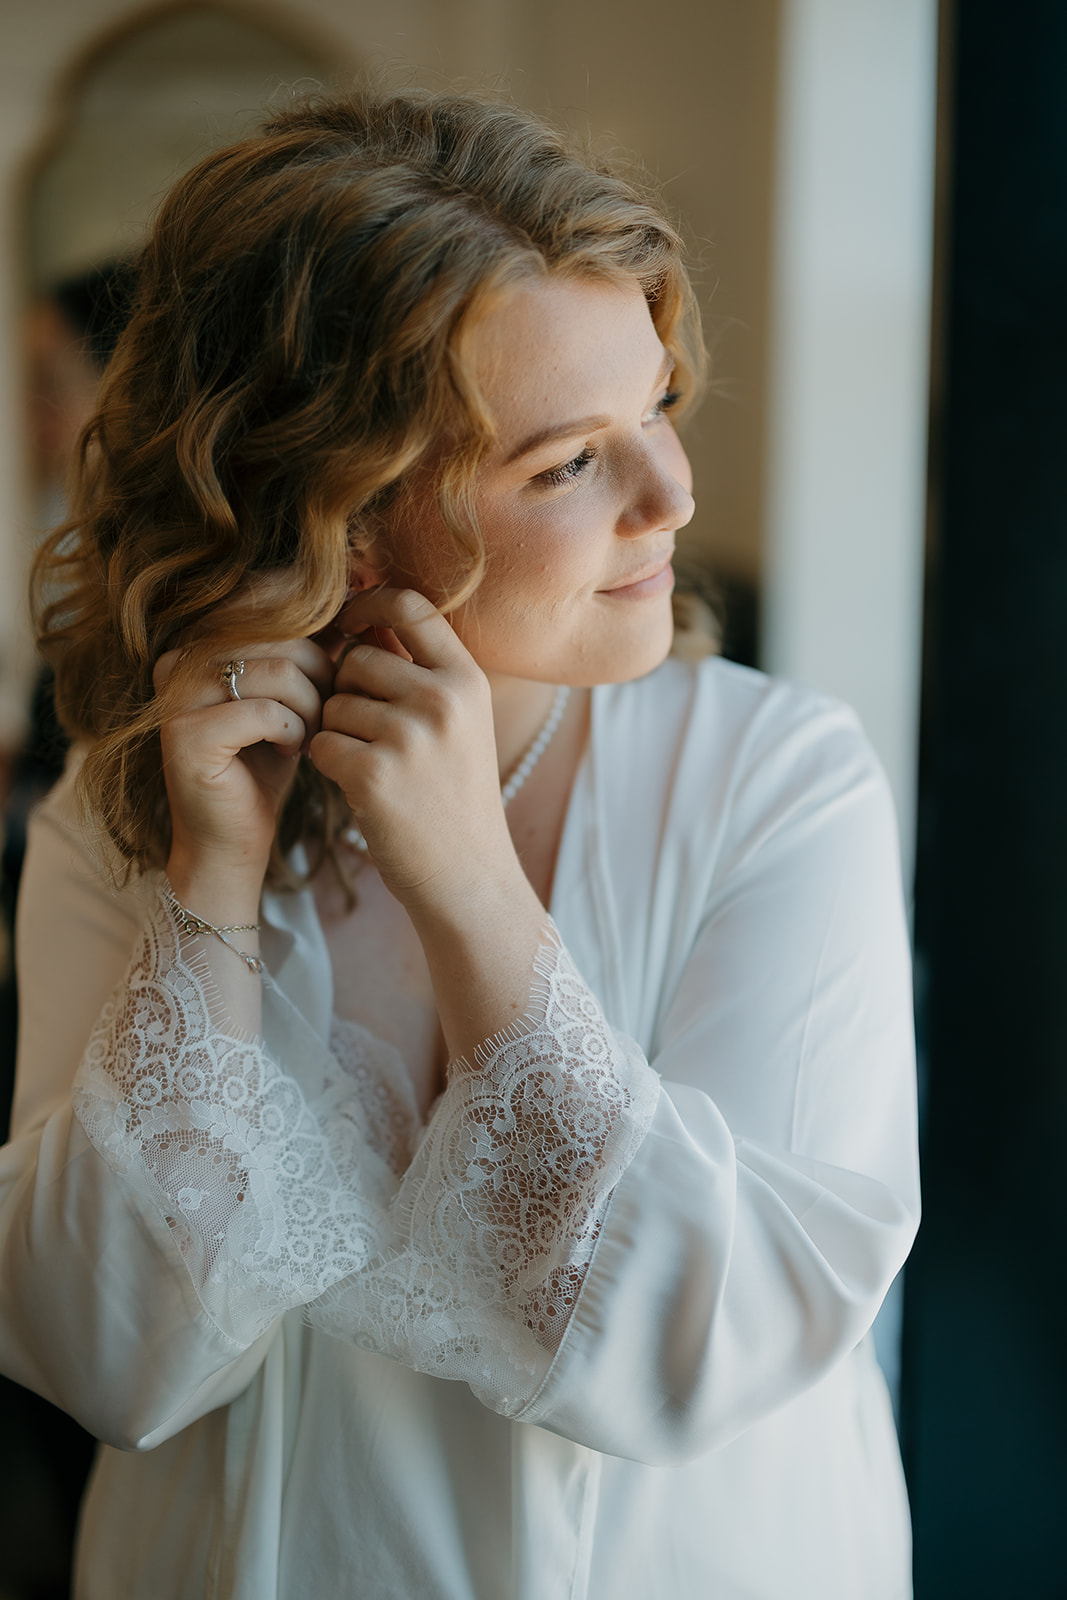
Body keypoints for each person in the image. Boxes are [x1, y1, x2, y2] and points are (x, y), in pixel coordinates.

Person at [0, 86, 920, 1599]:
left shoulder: (780, 782)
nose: (674, 498)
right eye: (570, 463)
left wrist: (472, 887)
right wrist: (210, 895)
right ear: (343, 512)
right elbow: (114, 1363)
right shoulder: (129, 811)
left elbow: (697, 1357)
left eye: (662, 412)